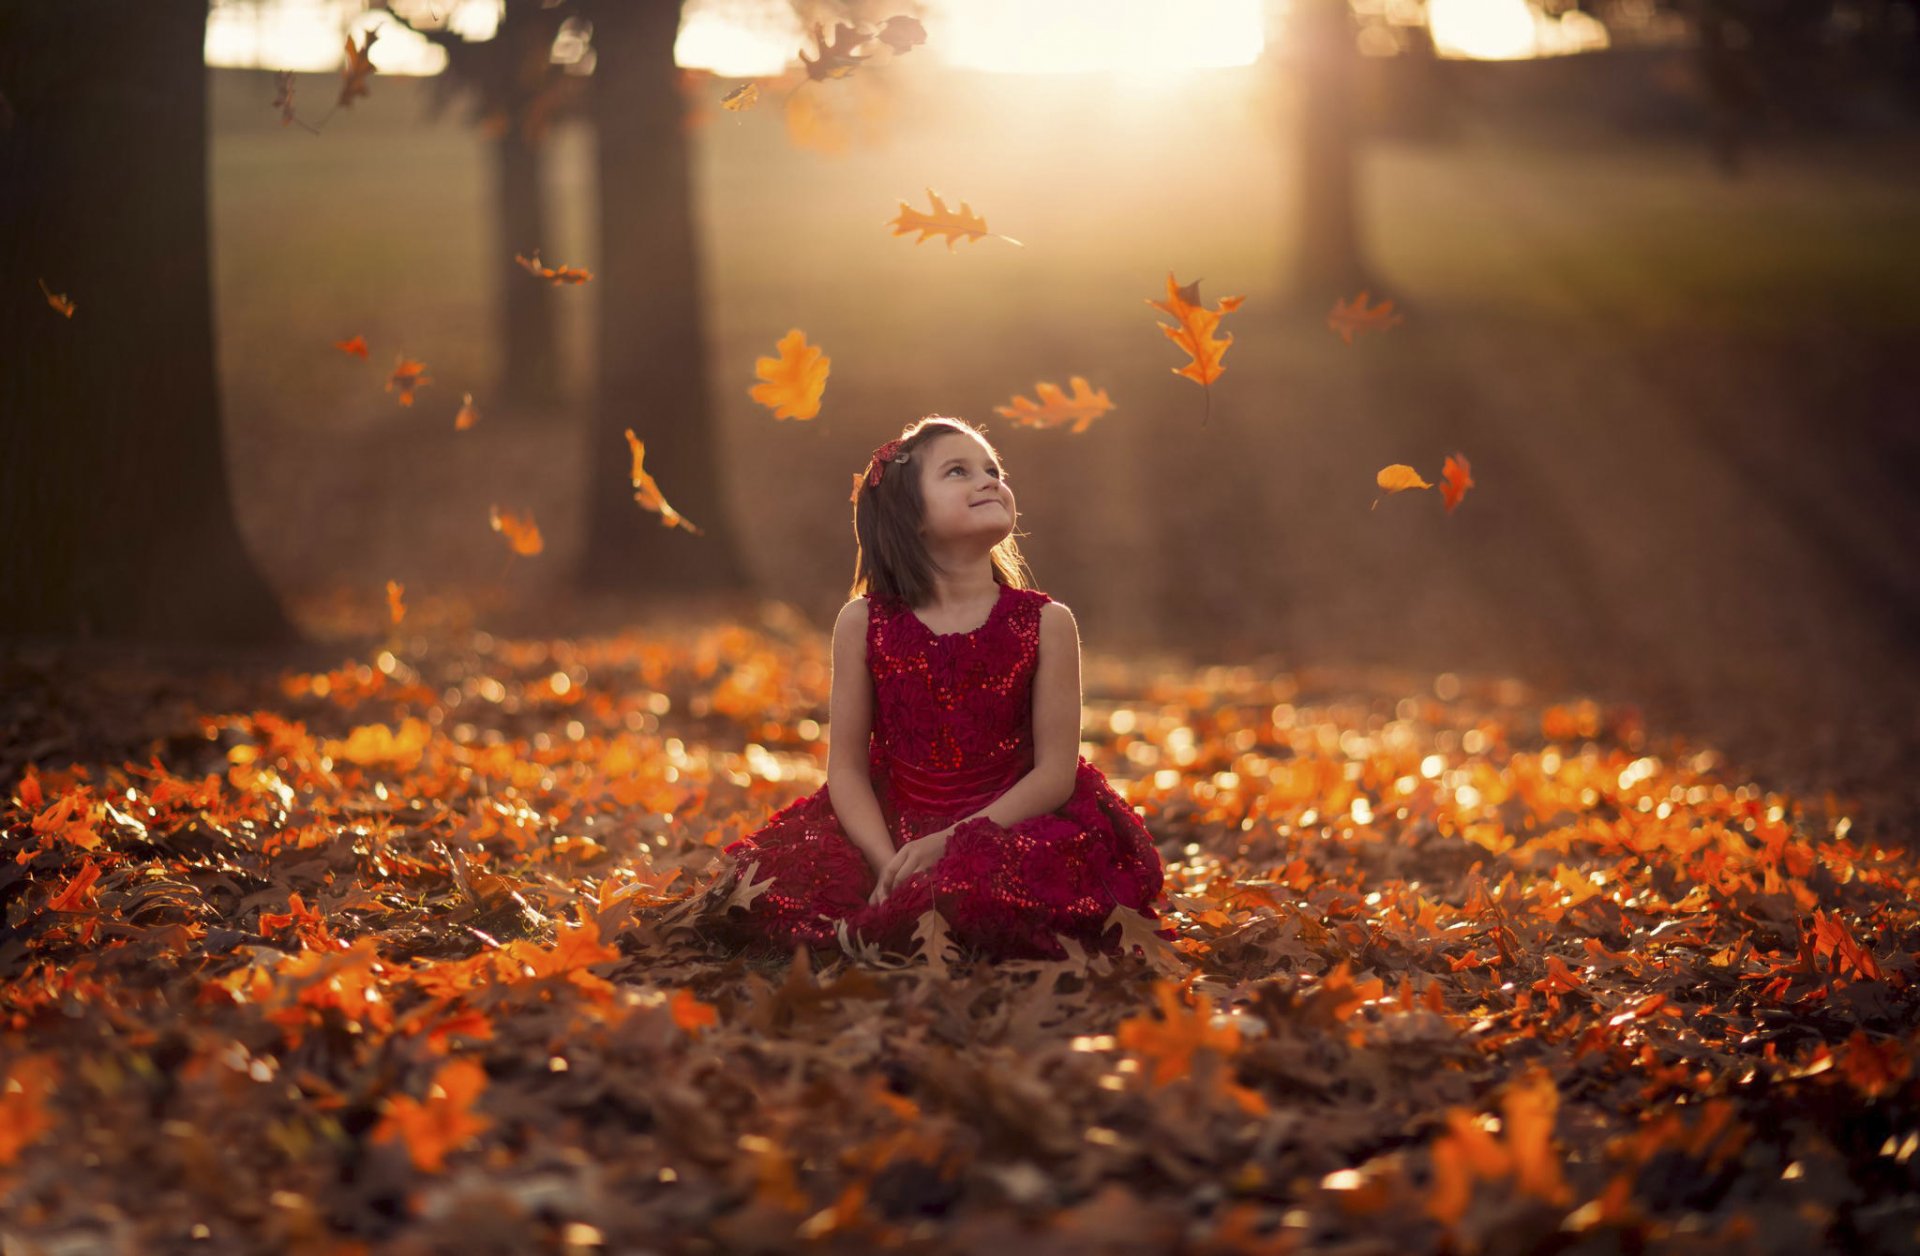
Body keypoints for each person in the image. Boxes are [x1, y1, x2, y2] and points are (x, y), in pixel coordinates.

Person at [702, 415, 1168, 962]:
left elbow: (1055, 774)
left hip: (1011, 824)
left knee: (986, 895)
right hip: (891, 827)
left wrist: (948, 844)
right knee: (765, 889)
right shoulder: (863, 622)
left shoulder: (1046, 622)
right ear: (911, 515)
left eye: (993, 470)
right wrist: (887, 862)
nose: (989, 480)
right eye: (958, 471)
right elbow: (847, 769)